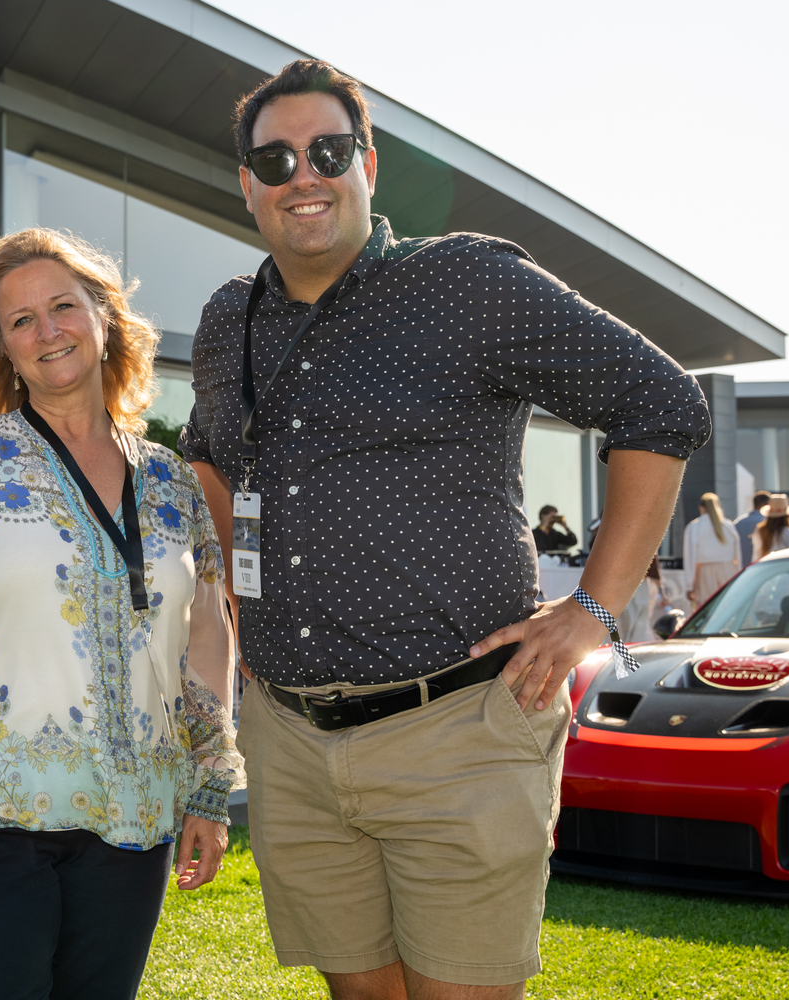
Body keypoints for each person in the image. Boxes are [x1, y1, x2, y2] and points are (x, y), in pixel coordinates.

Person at [179, 60, 709, 998]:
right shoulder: (230, 318)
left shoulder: (463, 281)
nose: (303, 173)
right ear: (247, 183)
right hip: (294, 743)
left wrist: (594, 605)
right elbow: (212, 458)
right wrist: (237, 595)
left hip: (454, 729)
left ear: (368, 166)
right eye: (275, 158)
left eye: (327, 150)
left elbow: (659, 402)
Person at [0, 229, 242, 1000]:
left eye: (63, 307)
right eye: (20, 321)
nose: (47, 332)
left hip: (133, 827)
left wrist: (212, 783)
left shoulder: (174, 480)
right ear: (1, 350)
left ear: (105, 317)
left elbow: (209, 636)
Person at [682, 492, 740, 610]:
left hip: (704, 572)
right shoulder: (728, 525)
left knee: (706, 611)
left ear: (701, 507)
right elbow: (737, 555)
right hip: (728, 570)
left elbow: (690, 557)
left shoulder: (694, 527)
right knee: (727, 608)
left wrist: (689, 585)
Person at [752, 494, 789, 561]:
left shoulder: (760, 530)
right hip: (782, 567)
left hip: (765, 567)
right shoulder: (786, 532)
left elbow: (756, 555)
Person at [733, 490, 771, 569]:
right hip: (764, 568)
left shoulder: (738, 522)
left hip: (742, 570)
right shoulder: (767, 522)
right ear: (766, 504)